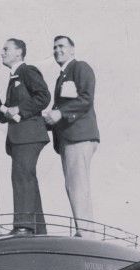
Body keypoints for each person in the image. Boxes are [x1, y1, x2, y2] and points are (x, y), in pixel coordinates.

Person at [0, 38, 51, 234]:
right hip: (21, 137)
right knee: (27, 178)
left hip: (29, 135)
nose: (1, 53)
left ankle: (24, 226)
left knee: (22, 177)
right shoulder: (13, 78)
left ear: (19, 52)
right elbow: (4, 116)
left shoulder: (27, 71)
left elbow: (44, 97)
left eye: (6, 49)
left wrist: (19, 108)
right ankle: (37, 230)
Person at [43, 35, 100, 237]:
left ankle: (86, 233)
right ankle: (83, 230)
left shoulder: (80, 68)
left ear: (72, 49)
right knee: (73, 185)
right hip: (69, 138)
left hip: (79, 136)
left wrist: (60, 113)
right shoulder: (63, 75)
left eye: (62, 46)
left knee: (77, 185)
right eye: (55, 47)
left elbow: (86, 99)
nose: (57, 50)